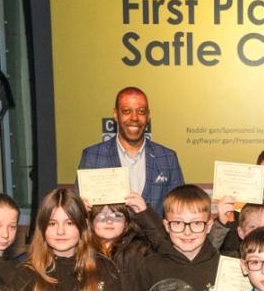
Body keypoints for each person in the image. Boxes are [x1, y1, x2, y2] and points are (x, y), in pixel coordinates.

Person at [78, 86, 185, 216]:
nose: (134, 118)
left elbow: (180, 211)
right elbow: (79, 211)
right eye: (126, 111)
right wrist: (81, 207)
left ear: (148, 116)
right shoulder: (92, 156)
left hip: (155, 236)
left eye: (141, 111)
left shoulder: (167, 158)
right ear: (116, 115)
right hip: (108, 235)